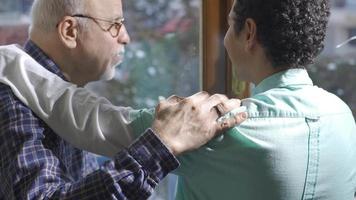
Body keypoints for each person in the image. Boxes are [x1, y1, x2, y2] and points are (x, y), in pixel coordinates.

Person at [1, 0, 355, 199]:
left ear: (248, 34)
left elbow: (94, 119)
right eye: (115, 25)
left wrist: (14, 63)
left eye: (229, 24)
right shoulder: (342, 118)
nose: (126, 37)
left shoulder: (219, 129)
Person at [0, 0, 247, 199]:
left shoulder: (61, 99)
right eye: (115, 24)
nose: (126, 37)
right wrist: (161, 145)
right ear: (69, 31)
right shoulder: (11, 101)